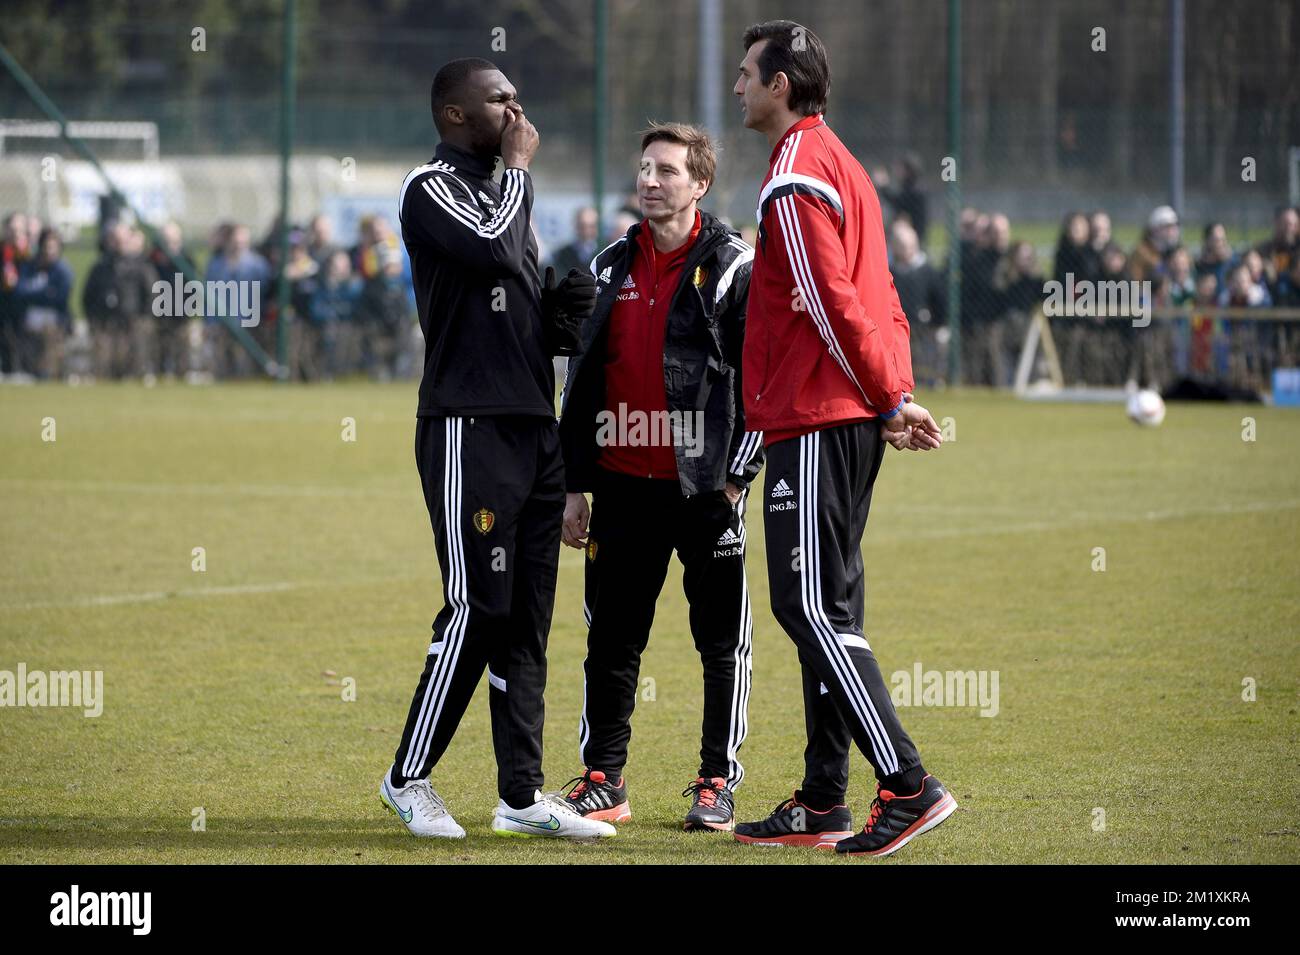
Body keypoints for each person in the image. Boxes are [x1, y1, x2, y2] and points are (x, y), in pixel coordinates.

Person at [731, 19, 955, 857]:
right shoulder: (843, 163)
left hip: (818, 418)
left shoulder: (793, 175)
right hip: (847, 414)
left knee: (808, 605)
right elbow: (881, 294)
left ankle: (907, 784)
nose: (739, 86)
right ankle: (825, 797)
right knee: (831, 608)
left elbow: (828, 302)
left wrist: (890, 395)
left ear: (782, 84)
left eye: (748, 73)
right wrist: (892, 394)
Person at [380, 56, 609, 842]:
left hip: (531, 428)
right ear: (454, 114)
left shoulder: (509, 194)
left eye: (518, 94)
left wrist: (561, 315)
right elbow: (485, 245)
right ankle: (408, 776)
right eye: (499, 98)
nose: (517, 108)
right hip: (465, 426)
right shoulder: (430, 187)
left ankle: (521, 794)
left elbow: (511, 283)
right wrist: (517, 171)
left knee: (526, 621)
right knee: (476, 606)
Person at [557, 122, 761, 833]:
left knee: (720, 643)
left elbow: (762, 380)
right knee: (610, 640)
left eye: (667, 170)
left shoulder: (734, 264)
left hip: (704, 491)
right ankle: (602, 780)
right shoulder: (609, 262)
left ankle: (715, 783)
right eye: (645, 167)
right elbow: (579, 382)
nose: (650, 179)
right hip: (618, 487)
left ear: (698, 183)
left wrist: (735, 480)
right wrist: (574, 484)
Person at [15, 227, 74, 379]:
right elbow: (20, 291)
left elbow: (60, 297)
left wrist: (36, 293)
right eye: (46, 247)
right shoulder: (30, 266)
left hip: (54, 326)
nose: (49, 251)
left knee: (51, 366)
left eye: (53, 247)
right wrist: (45, 292)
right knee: (31, 365)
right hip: (31, 326)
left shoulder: (63, 270)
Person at [549, 206, 599, 275]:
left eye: (591, 226)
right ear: (576, 226)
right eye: (582, 226)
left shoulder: (605, 253)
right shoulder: (563, 255)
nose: (587, 231)